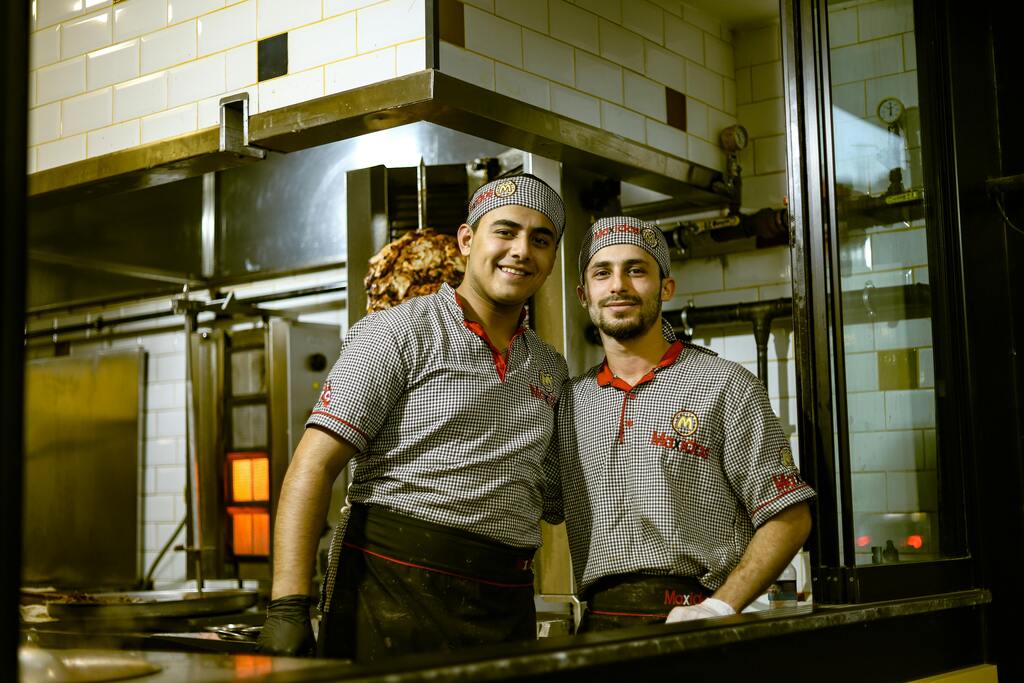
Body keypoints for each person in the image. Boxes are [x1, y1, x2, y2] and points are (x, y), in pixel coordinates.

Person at [256, 174, 568, 662]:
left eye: (541, 240)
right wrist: (288, 607)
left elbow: (554, 499)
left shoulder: (550, 368)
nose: (521, 251)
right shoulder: (397, 332)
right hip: (389, 589)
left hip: (503, 601)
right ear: (467, 240)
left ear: (551, 260)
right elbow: (313, 466)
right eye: (505, 232)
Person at [558, 216, 815, 632]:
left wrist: (718, 607)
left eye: (636, 270)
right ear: (584, 295)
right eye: (602, 273)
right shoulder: (570, 402)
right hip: (599, 624)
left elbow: (790, 517)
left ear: (666, 288)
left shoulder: (724, 384)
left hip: (699, 617)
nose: (618, 285)